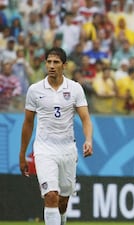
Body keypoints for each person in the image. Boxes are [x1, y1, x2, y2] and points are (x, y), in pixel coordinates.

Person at [19, 47, 93, 225]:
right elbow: (28, 123)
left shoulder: (75, 89)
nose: (51, 66)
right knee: (51, 195)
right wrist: (22, 154)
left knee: (62, 201)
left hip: (67, 149)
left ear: (64, 65)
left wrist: (89, 140)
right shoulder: (35, 90)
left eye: (56, 62)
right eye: (49, 62)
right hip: (44, 149)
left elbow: (85, 118)